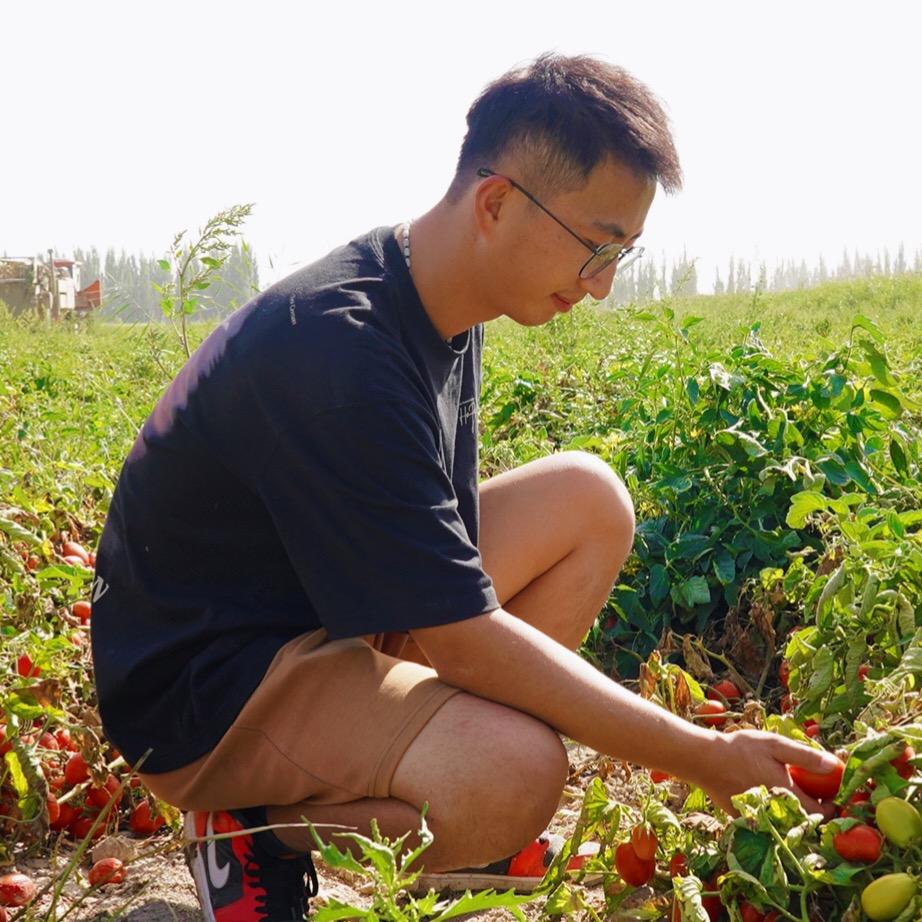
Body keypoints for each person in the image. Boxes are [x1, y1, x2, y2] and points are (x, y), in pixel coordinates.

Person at [90, 53, 842, 921]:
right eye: (596, 246)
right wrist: (701, 754)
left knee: (588, 502)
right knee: (519, 772)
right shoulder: (339, 348)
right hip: (203, 681)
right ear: (496, 203)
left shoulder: (440, 308)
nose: (600, 287)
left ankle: (438, 780)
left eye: (621, 256)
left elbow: (443, 578)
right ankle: (250, 826)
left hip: (311, 611)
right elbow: (464, 637)